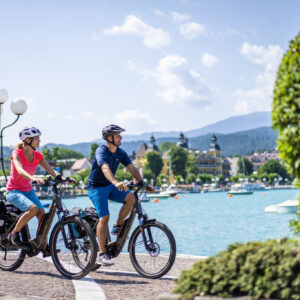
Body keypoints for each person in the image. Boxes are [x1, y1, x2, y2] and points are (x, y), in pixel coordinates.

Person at [86, 124, 154, 266]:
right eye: (117, 135)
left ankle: (117, 225)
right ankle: (102, 253)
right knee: (104, 217)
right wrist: (116, 182)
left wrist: (143, 183)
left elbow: (131, 167)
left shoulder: (120, 152)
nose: (120, 137)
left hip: (109, 186)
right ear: (109, 138)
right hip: (96, 188)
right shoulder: (101, 150)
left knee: (131, 198)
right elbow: (104, 167)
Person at [6, 126, 73, 257]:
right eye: (36, 139)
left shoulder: (37, 155)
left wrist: (64, 179)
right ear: (27, 140)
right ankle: (13, 234)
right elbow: (19, 170)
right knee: (33, 209)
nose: (39, 141)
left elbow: (51, 170)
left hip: (27, 190)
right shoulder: (17, 153)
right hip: (14, 191)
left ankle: (43, 245)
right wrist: (33, 178)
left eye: (39, 138)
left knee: (42, 213)